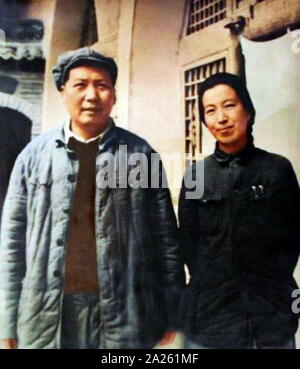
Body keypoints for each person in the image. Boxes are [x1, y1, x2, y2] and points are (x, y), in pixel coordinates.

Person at [0, 47, 184, 349]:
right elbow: (11, 244)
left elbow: (166, 240)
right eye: (80, 84)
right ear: (62, 92)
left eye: (101, 85)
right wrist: (7, 320)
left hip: (125, 312)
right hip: (47, 313)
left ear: (113, 95)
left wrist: (172, 314)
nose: (91, 95)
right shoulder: (32, 157)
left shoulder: (140, 155)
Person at [179, 72, 300, 349]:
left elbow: (293, 239)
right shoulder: (196, 176)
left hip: (270, 319)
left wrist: (270, 286)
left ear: (249, 111)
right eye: (210, 111)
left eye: (229, 105)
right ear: (204, 121)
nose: (221, 118)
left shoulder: (277, 169)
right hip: (211, 320)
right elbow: (187, 245)